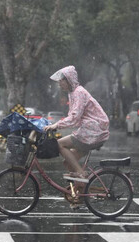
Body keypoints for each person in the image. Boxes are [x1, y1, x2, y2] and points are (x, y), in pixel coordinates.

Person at [44, 66, 109, 203]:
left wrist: (56, 125)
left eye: (61, 80)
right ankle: (81, 191)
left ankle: (81, 174)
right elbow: (73, 117)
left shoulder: (79, 92)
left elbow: (74, 118)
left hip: (93, 130)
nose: (59, 83)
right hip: (89, 130)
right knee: (68, 162)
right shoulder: (72, 93)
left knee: (59, 144)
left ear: (69, 80)